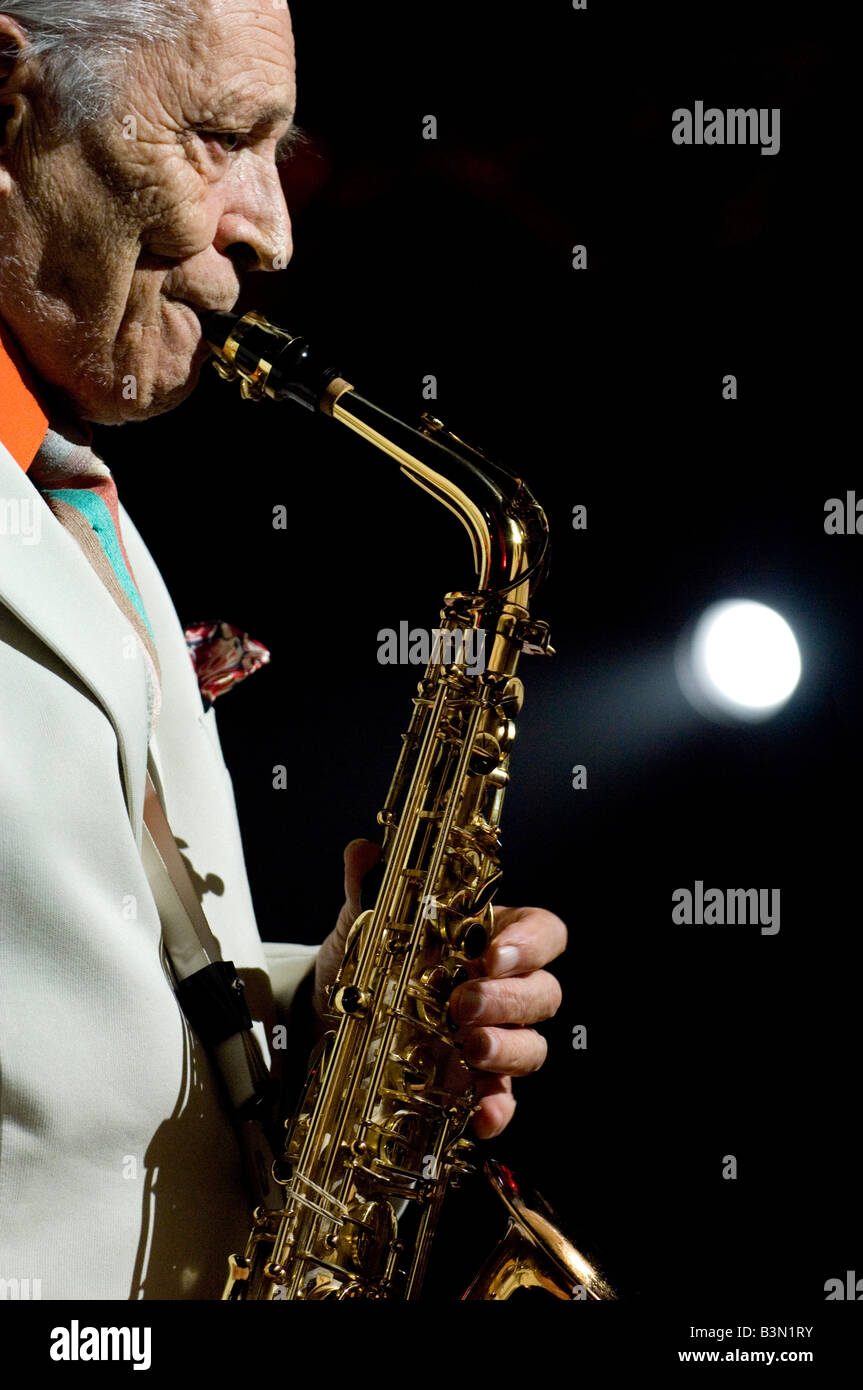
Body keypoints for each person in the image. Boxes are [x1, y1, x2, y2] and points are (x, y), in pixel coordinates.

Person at [0, 0, 566, 1300]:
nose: (274, 229)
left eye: (282, 148)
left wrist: (345, 1014)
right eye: (219, 139)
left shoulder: (76, 488)